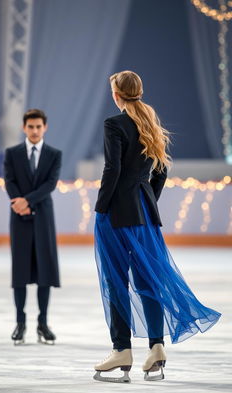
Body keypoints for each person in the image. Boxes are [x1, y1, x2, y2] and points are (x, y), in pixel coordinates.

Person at [93, 71, 221, 383]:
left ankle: (121, 348)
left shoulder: (115, 123)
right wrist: (146, 198)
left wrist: (101, 207)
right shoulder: (150, 122)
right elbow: (161, 171)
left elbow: (113, 168)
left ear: (117, 95)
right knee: (148, 280)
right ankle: (156, 347)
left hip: (116, 212)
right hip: (144, 212)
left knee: (115, 280)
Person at [4, 109, 62, 345]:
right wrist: (19, 203)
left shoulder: (53, 154)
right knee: (20, 271)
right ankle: (20, 322)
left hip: (43, 218)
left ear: (45, 127)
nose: (35, 131)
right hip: (19, 218)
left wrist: (27, 201)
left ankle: (43, 323)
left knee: (44, 271)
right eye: (31, 127)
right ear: (24, 128)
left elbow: (50, 184)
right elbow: (9, 181)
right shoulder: (13, 153)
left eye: (39, 127)